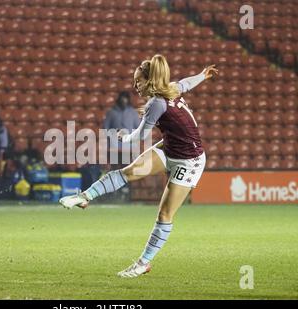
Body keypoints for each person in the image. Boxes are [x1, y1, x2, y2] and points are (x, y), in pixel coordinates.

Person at [59, 54, 218, 277]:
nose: (135, 85)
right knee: (127, 173)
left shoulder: (156, 103)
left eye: (139, 81)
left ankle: (144, 262)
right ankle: (85, 197)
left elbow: (140, 135)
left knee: (164, 214)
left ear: (151, 80)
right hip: (169, 148)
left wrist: (122, 138)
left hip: (189, 160)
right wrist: (202, 75)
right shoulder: (170, 89)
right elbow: (186, 83)